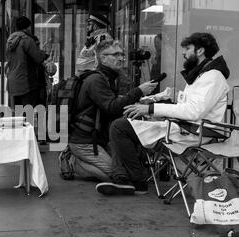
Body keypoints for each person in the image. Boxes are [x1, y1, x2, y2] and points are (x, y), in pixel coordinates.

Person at [96, 32, 230, 195]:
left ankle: (136, 181)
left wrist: (152, 109)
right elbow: (189, 106)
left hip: (195, 133)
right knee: (124, 123)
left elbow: (193, 111)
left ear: (200, 51)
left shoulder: (213, 76)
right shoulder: (202, 75)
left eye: (188, 48)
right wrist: (154, 102)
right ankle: (124, 177)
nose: (183, 53)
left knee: (120, 127)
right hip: (187, 129)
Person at [59, 40, 158, 181]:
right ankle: (73, 162)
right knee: (117, 175)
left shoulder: (108, 77)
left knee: (125, 171)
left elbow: (111, 104)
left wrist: (138, 102)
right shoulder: (96, 80)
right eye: (115, 54)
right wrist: (138, 91)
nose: (120, 58)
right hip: (85, 142)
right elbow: (111, 108)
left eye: (121, 54)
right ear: (103, 58)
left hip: (99, 139)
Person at [6, 16, 48, 107]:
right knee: (28, 113)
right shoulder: (27, 40)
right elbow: (38, 58)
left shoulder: (10, 41)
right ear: (27, 27)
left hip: (13, 83)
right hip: (26, 83)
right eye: (29, 27)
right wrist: (44, 54)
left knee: (18, 113)